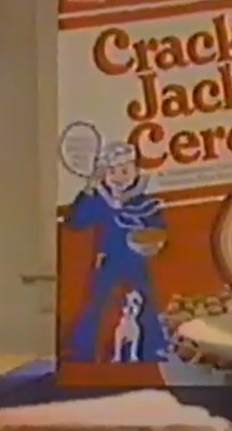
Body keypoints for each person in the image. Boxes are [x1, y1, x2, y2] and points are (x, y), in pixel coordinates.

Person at [66, 141, 168, 363]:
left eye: (124, 170)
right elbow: (76, 221)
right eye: (112, 171)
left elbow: (159, 228)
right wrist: (89, 189)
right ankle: (82, 351)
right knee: (97, 303)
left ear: (136, 171)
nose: (119, 176)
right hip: (108, 259)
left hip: (137, 260)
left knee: (148, 301)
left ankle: (154, 348)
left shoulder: (145, 201)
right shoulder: (100, 200)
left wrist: (154, 242)